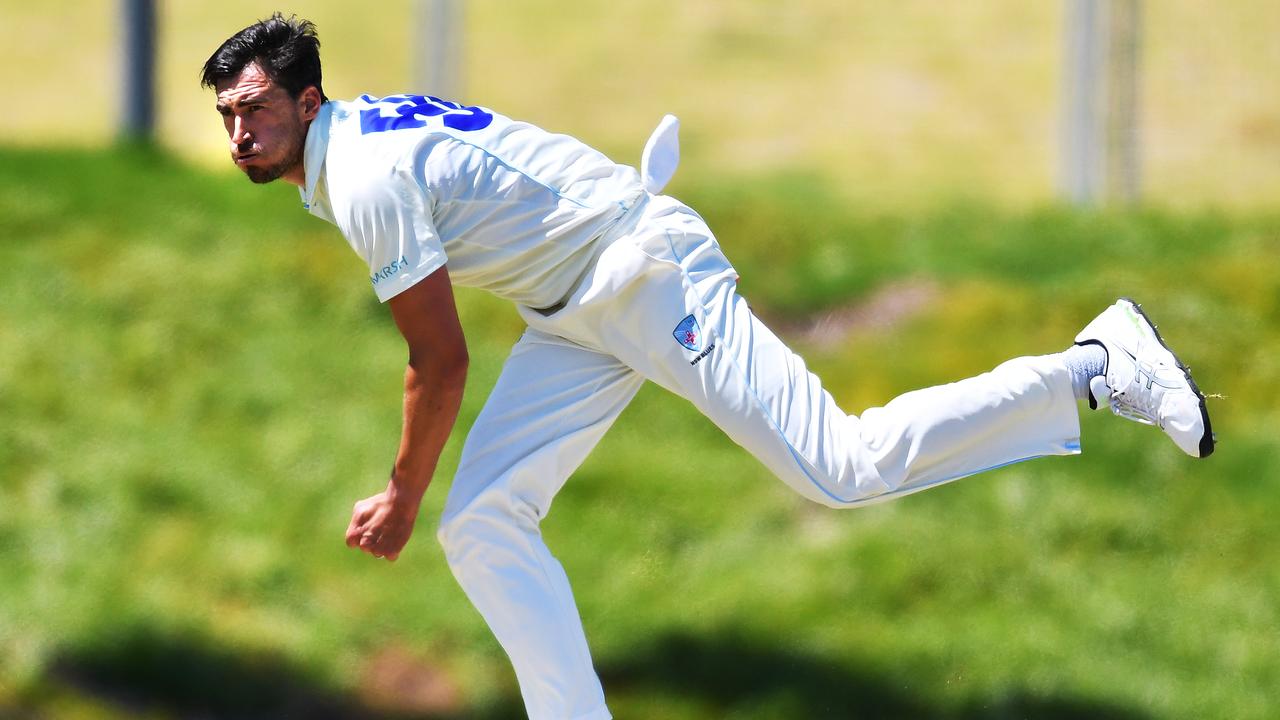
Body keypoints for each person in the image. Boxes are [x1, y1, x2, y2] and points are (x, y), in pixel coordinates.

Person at [201, 14, 1214, 720]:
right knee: (484, 525)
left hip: (643, 274)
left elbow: (438, 358)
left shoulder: (362, 175)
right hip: (572, 307)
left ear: (308, 99)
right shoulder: (350, 145)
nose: (241, 132)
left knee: (842, 469)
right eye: (228, 118)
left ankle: (1092, 362)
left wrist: (400, 491)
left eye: (255, 109)